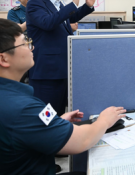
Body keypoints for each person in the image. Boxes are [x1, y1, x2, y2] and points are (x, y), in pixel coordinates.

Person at [0, 19, 126, 175]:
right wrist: (105, 120)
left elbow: (27, 126)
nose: (31, 47)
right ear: (3, 59)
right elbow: (83, 141)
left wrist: (56, 121)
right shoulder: (22, 108)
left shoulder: (14, 100)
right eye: (24, 43)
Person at [26, 0, 97, 116]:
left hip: (61, 70)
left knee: (58, 114)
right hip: (47, 73)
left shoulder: (56, 3)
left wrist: (87, 6)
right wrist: (73, 4)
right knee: (46, 116)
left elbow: (66, 19)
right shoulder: (35, 2)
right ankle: (44, 140)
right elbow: (48, 23)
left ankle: (57, 139)